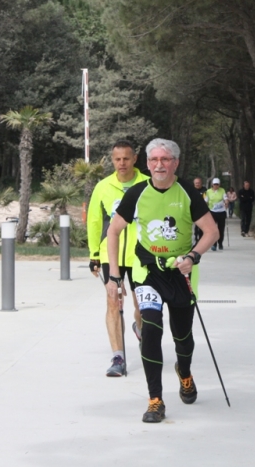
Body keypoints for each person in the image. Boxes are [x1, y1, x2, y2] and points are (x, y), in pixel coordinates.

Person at [106, 138, 218, 423]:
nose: (159, 165)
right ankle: (155, 399)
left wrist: (192, 256)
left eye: (165, 160)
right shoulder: (136, 193)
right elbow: (114, 231)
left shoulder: (188, 195)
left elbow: (211, 232)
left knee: (183, 338)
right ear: (147, 163)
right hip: (147, 273)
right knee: (152, 330)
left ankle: (185, 371)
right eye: (154, 160)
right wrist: (115, 275)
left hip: (181, 273)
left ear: (175, 164)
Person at [87, 140, 149, 377]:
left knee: (141, 305)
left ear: (134, 159)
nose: (121, 163)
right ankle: (118, 357)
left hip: (140, 254)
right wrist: (94, 254)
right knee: (113, 302)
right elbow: (94, 221)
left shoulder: (147, 184)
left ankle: (139, 328)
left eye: (126, 158)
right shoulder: (103, 186)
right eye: (117, 159)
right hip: (110, 254)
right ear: (112, 160)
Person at [205, 178, 227, 251]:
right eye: (215, 184)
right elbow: (206, 201)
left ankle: (220, 243)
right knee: (213, 229)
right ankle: (214, 244)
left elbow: (225, 198)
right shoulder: (208, 191)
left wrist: (226, 202)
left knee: (221, 229)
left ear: (219, 184)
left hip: (221, 212)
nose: (216, 186)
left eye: (217, 184)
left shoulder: (222, 190)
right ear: (212, 184)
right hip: (212, 212)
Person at [192, 177, 208, 244]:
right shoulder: (191, 190)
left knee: (201, 226)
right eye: (196, 183)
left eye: (198, 183)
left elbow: (206, 200)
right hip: (193, 210)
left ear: (201, 183)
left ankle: (201, 239)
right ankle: (196, 239)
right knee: (196, 226)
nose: (197, 184)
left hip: (202, 211)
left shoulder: (204, 191)